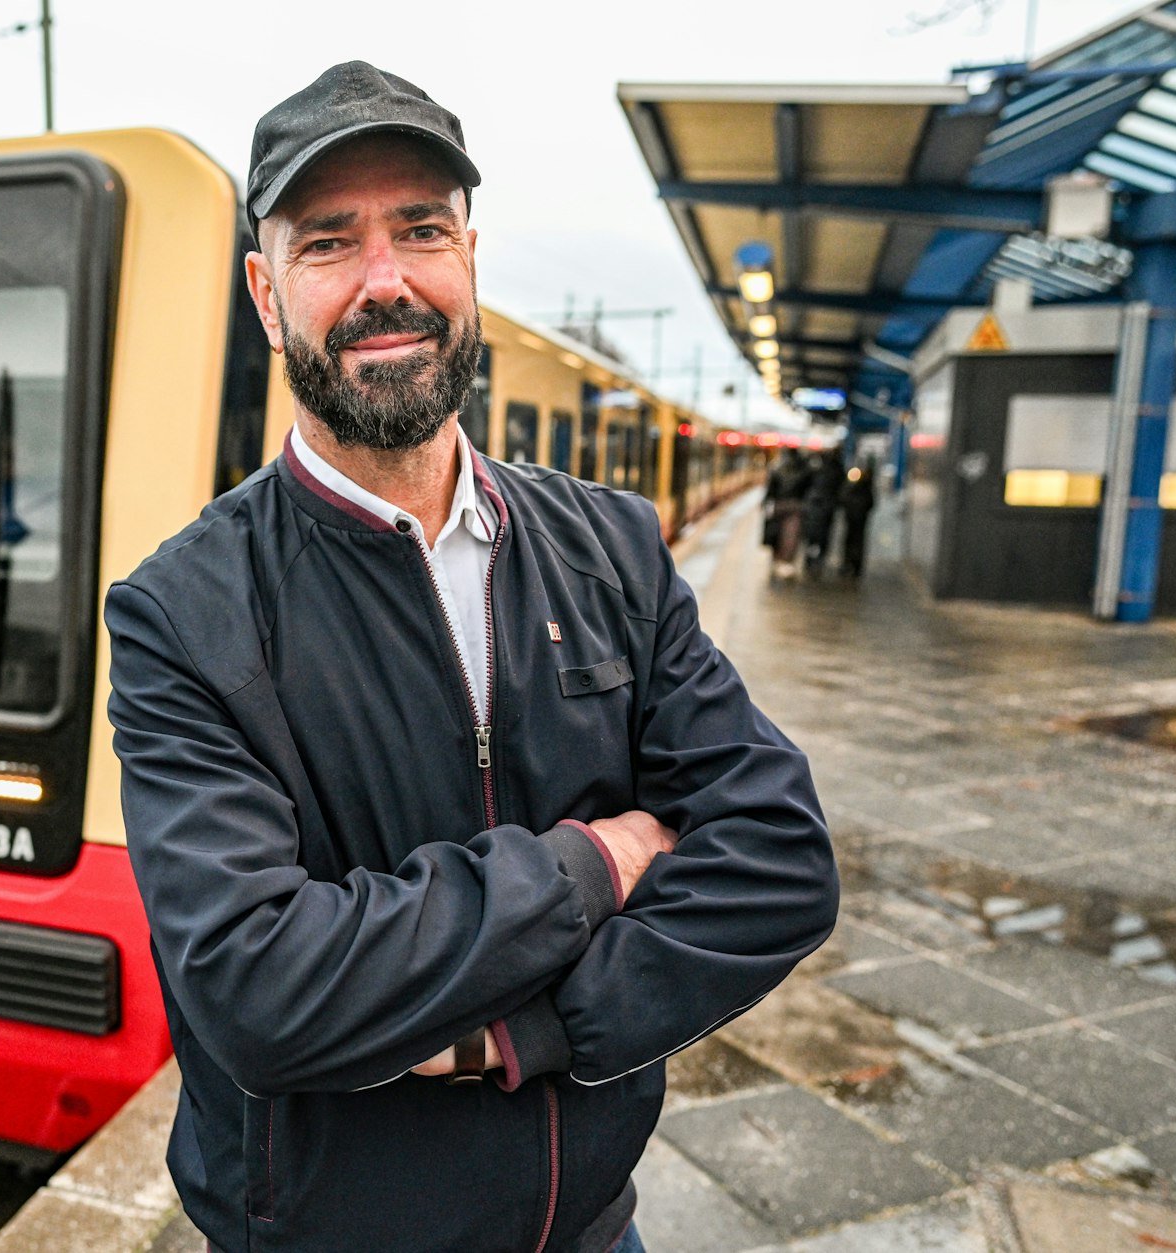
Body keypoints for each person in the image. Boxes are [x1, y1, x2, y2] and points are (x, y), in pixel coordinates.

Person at [104, 62, 837, 1253]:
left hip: (594, 1230)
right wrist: (592, 865)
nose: (384, 280)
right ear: (265, 290)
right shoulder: (181, 613)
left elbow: (781, 861)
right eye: (328, 242)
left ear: (469, 258)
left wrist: (522, 1035)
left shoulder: (611, 547)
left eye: (420, 229)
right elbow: (256, 986)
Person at [764, 448, 810, 577]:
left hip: (778, 505)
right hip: (796, 506)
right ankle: (786, 562)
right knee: (791, 535)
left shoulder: (777, 468)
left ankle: (776, 558)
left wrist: (767, 503)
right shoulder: (804, 470)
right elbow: (808, 489)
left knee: (776, 531)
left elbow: (770, 489)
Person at [801, 449, 844, 578]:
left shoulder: (816, 470)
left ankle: (810, 557)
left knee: (812, 533)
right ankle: (819, 557)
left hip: (814, 506)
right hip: (828, 508)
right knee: (824, 534)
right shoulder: (838, 470)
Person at [839, 458, 877, 579]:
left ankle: (849, 564)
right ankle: (854, 566)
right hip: (859, 518)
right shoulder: (866, 487)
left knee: (851, 541)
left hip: (853, 517)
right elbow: (871, 503)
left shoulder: (852, 486)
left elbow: (843, 497)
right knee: (857, 541)